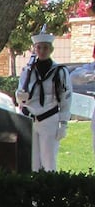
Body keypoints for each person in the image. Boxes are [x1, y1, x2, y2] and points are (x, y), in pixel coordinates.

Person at [15, 28, 72, 172]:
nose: (42, 51)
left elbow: (66, 98)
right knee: (32, 161)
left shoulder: (60, 71)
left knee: (48, 160)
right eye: (39, 47)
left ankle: (49, 184)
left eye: (45, 47)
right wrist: (20, 97)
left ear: (51, 49)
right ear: (35, 49)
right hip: (30, 119)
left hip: (49, 118)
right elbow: (21, 92)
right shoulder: (27, 71)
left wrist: (63, 123)